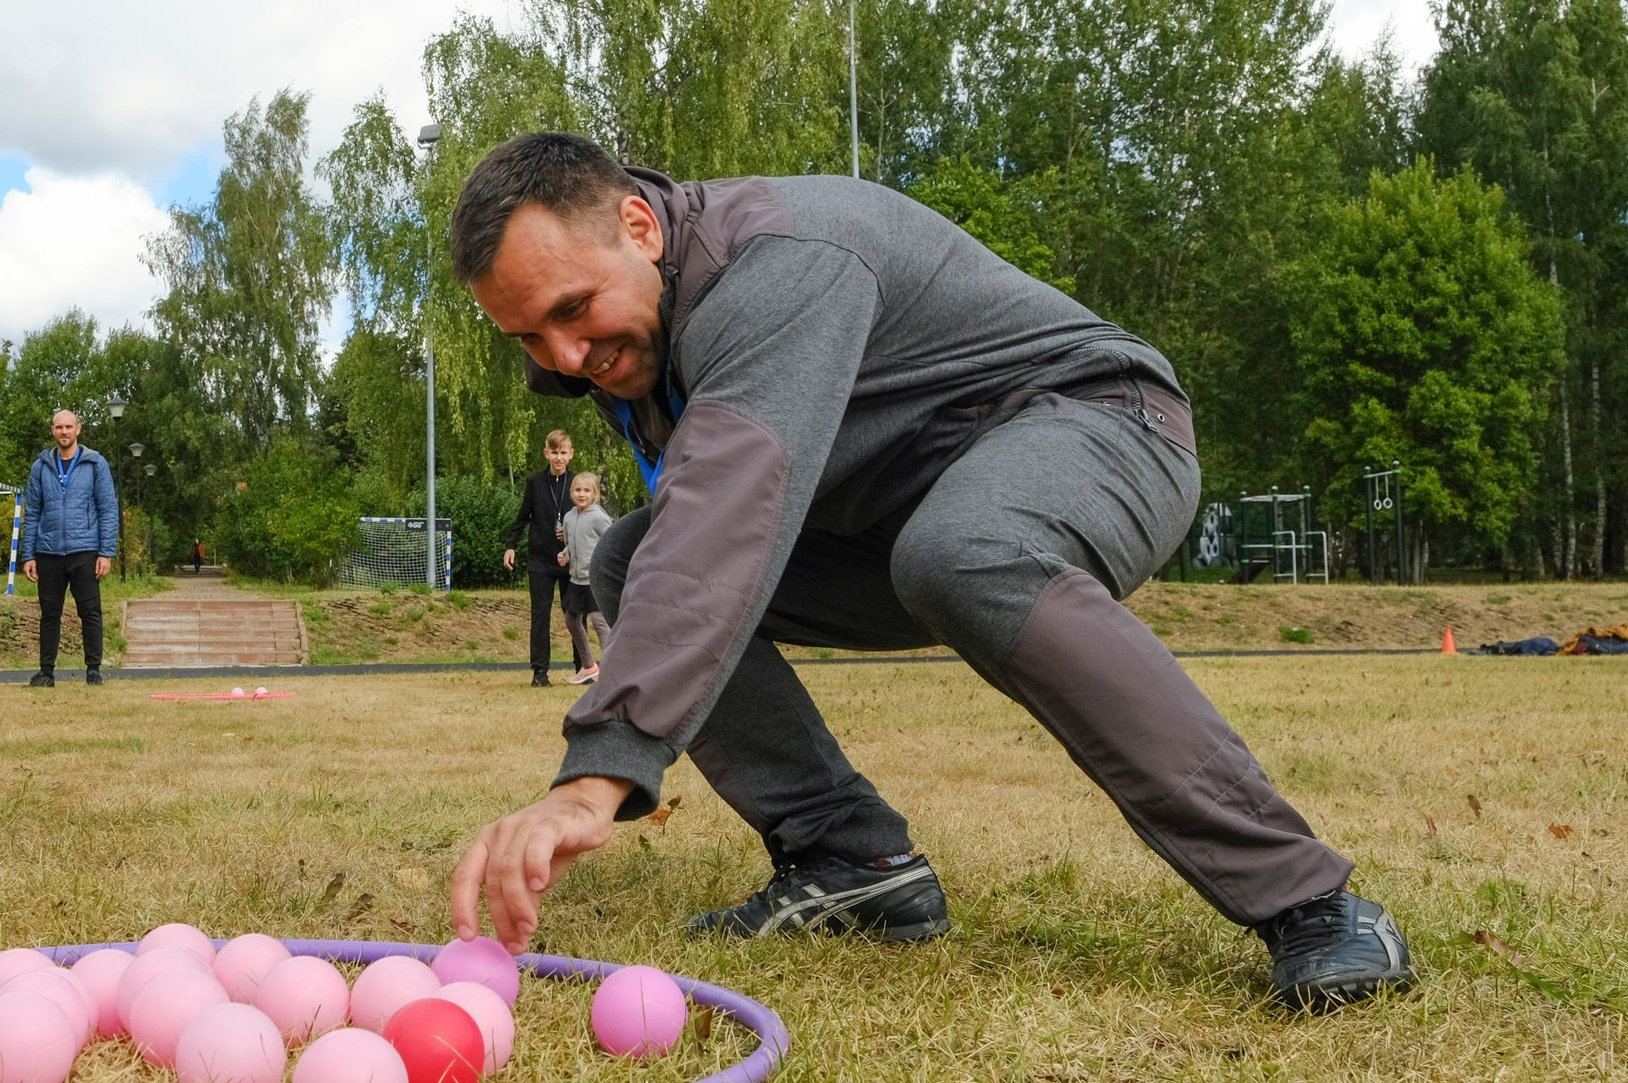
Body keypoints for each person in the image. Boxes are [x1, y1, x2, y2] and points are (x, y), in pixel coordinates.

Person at [443, 133, 1413, 1012]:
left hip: (1102, 426)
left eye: (573, 311)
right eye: (528, 336)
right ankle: (848, 857)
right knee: (632, 555)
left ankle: (1307, 898)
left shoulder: (775, 265)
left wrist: (597, 772)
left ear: (639, 226)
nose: (565, 356)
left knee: (960, 551)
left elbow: (726, 512)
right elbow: (693, 541)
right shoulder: (628, 337)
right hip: (905, 514)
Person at [19, 408, 119, 687]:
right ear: (52, 430)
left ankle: (93, 671)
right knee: (49, 613)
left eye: (68, 427)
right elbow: (33, 512)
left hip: (85, 549)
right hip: (48, 551)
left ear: (79, 429)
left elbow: (108, 509)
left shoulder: (95, 463)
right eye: (58, 427)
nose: (63, 432)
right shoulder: (40, 466)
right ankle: (46, 672)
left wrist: (106, 552)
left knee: (89, 611)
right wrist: (29, 554)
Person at [501, 429, 579, 686]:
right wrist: (511, 545)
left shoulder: (578, 482)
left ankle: (583, 668)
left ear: (571, 454)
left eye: (563, 452)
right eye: (554, 452)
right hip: (540, 560)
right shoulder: (535, 482)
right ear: (546, 453)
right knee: (540, 614)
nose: (558, 457)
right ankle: (540, 673)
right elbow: (523, 517)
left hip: (571, 560)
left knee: (575, 613)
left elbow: (591, 517)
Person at [558, 469, 613, 684]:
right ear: (572, 492)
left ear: (594, 494)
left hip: (594, 580)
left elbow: (610, 543)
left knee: (600, 623)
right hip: (575, 580)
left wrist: (600, 560)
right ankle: (588, 665)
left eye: (586, 490)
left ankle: (610, 671)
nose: (582, 494)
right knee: (572, 620)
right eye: (578, 490)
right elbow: (570, 545)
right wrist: (564, 555)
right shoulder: (570, 517)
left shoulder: (599, 517)